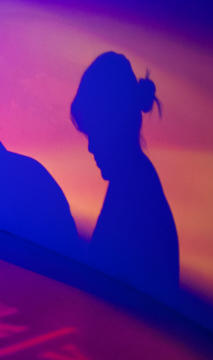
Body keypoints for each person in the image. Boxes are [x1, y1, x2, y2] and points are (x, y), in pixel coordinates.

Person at [71, 52, 179, 296]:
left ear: (114, 123)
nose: (90, 147)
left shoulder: (134, 195)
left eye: (94, 132)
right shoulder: (135, 182)